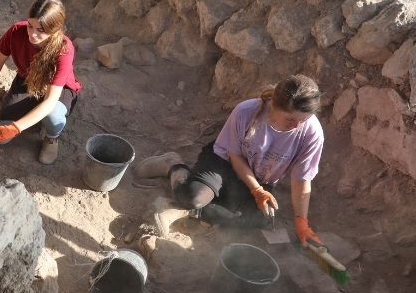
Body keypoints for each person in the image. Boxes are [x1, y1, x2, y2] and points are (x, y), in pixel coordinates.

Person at [135, 75, 325, 245]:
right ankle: (173, 166)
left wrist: (302, 221)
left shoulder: (311, 133)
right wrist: (257, 191)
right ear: (274, 106)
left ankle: (188, 212)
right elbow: (235, 157)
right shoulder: (246, 112)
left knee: (260, 220)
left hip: (259, 177)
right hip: (224, 162)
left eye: (304, 120)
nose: (297, 126)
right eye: (291, 120)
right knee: (194, 197)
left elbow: (302, 179)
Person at [0, 0, 82, 165]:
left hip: (58, 90)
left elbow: (50, 101)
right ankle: (28, 114)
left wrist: (16, 128)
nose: (32, 34)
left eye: (41, 30)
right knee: (1, 138)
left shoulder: (63, 49)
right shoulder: (16, 32)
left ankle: (52, 138)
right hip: (27, 81)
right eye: (30, 25)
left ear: (55, 30)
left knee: (53, 115)